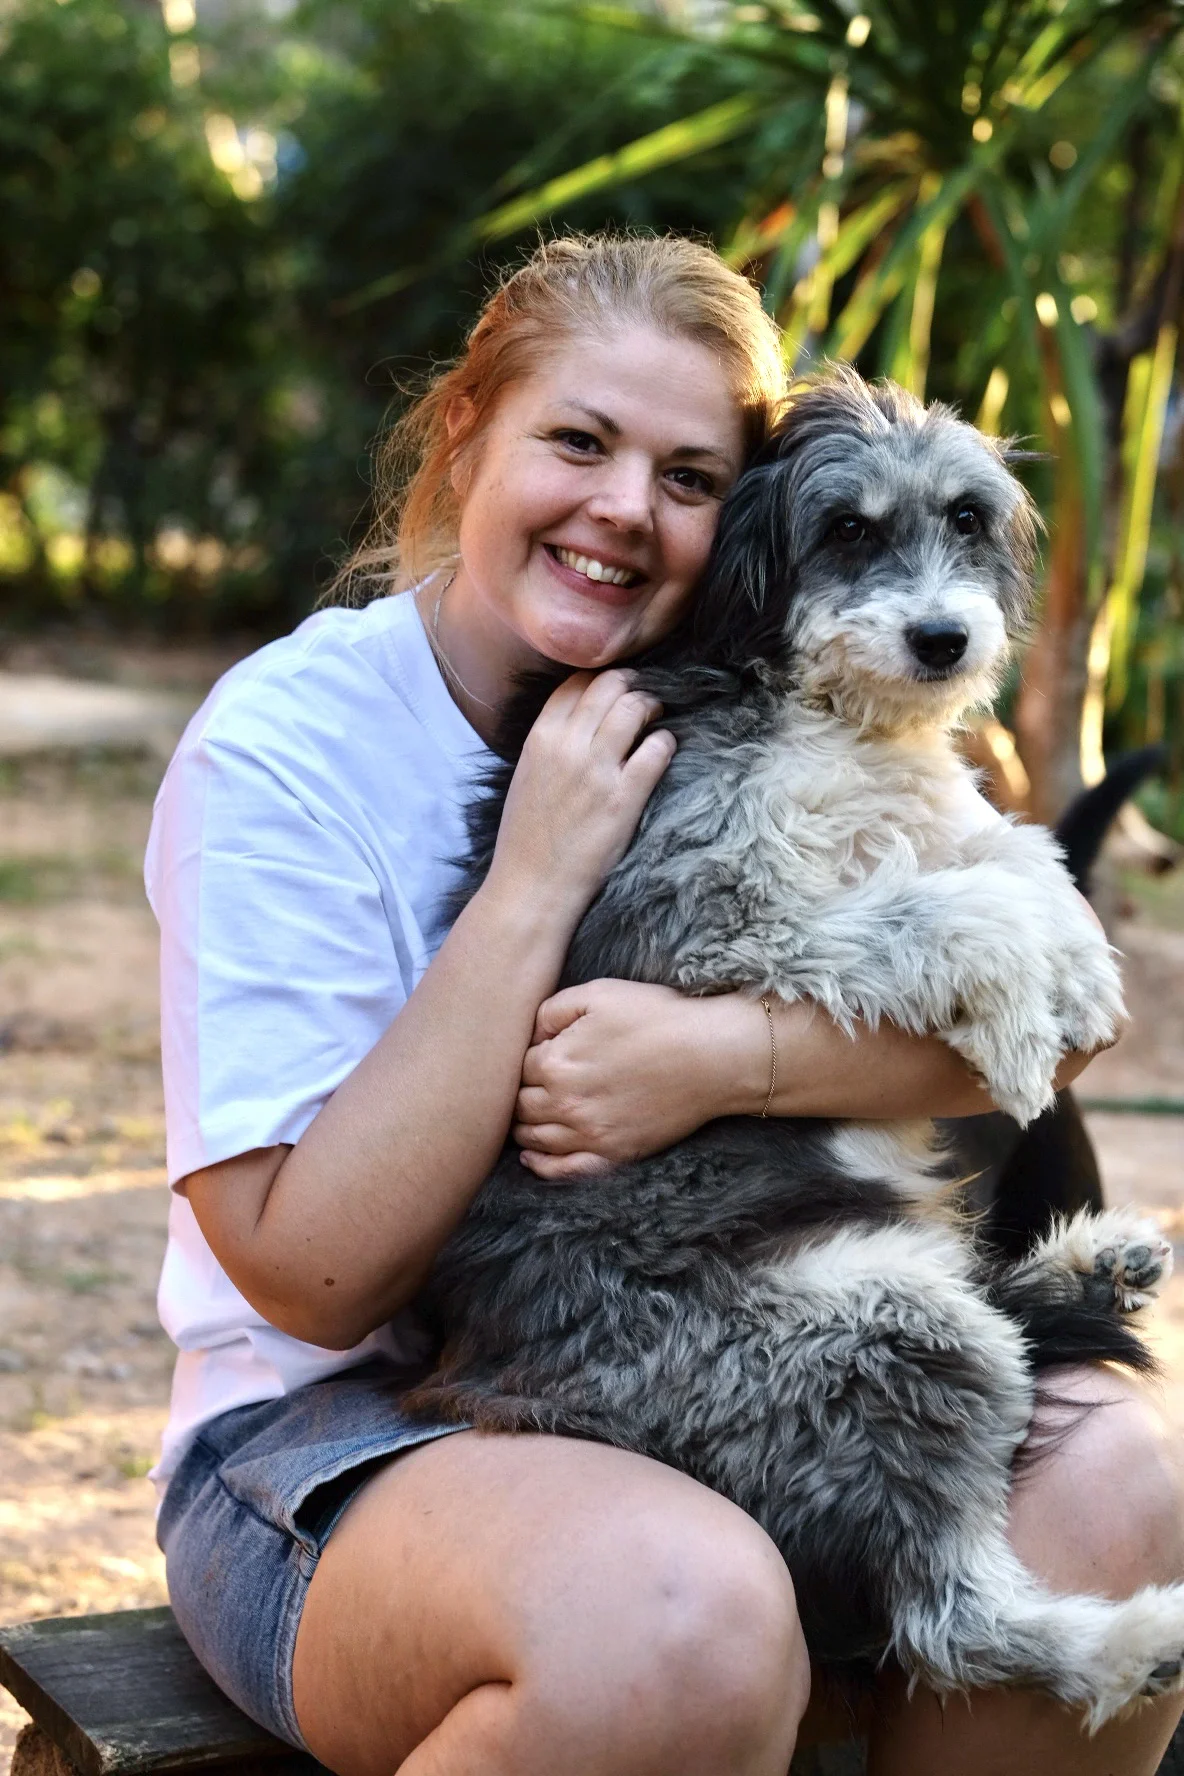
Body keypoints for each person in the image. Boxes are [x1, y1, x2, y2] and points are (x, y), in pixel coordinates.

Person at [148, 232, 1184, 1776]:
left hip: (737, 1341)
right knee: (679, 1626)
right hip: (334, 1434)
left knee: (1124, 1507)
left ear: (749, 517)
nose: (626, 510)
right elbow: (311, 1281)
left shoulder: (792, 690)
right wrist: (529, 887)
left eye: (690, 476)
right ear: (465, 433)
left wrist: (724, 1058)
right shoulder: (288, 751)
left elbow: (1058, 1014)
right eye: (578, 441)